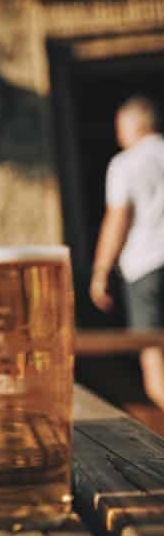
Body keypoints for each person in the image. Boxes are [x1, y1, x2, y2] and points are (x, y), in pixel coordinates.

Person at [91, 96, 164, 410]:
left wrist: (100, 271)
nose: (119, 136)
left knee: (153, 357)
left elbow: (118, 218)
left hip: (147, 267)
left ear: (136, 125)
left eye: (120, 128)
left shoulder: (126, 163)